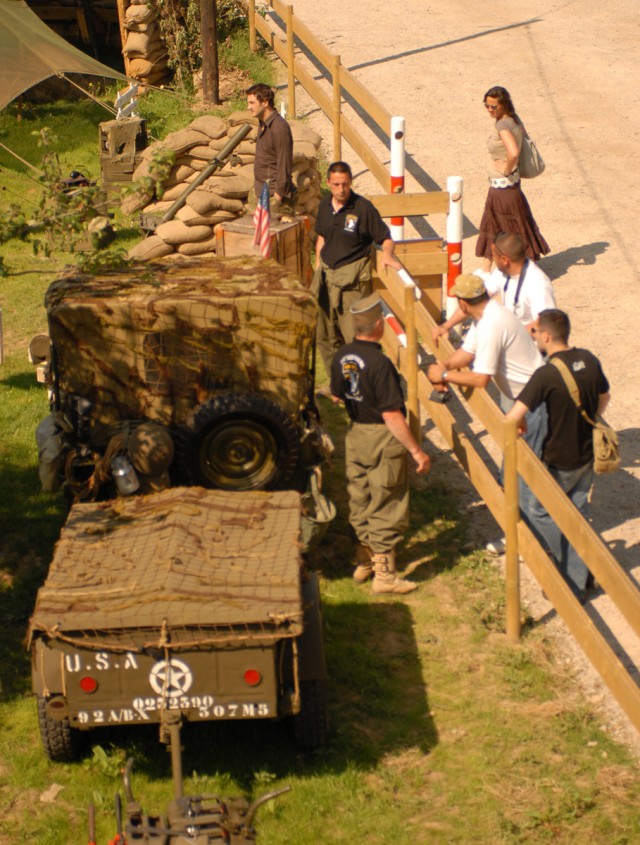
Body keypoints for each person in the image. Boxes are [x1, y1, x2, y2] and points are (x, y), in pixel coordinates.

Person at [426, 274, 545, 547]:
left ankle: (529, 542)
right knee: (514, 472)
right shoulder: (487, 316)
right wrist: (445, 364)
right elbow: (467, 354)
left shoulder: (491, 324)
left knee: (524, 476)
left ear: (464, 304)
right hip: (524, 401)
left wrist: (444, 375)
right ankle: (521, 535)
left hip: (534, 404)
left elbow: (481, 379)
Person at [505, 309, 611, 601]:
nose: (534, 335)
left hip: (559, 459)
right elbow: (605, 397)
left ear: (547, 336)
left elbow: (513, 417)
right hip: (588, 453)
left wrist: (517, 426)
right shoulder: (589, 359)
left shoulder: (546, 374)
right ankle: (587, 570)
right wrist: (589, 419)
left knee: (540, 511)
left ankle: (574, 577)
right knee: (577, 512)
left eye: (536, 331)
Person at [330, 294, 431, 594]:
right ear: (378, 327)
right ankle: (385, 576)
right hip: (382, 439)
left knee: (359, 498)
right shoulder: (380, 363)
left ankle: (364, 561)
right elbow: (391, 414)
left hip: (356, 434)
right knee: (387, 501)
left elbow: (337, 396)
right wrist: (416, 450)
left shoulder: (342, 355)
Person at [313, 161, 401, 376]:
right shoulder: (324, 205)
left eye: (344, 184)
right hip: (325, 277)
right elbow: (322, 237)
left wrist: (387, 256)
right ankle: (338, 385)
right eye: (336, 184)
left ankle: (357, 385)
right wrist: (317, 268)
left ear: (350, 182)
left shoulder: (363, 208)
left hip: (351, 282)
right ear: (328, 183)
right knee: (326, 334)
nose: (341, 189)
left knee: (353, 336)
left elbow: (386, 238)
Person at [433, 232, 556, 345]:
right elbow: (475, 301)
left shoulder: (537, 283)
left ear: (504, 260)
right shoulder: (502, 273)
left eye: (494, 256)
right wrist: (446, 326)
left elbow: (545, 325)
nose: (493, 260)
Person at [476, 86, 549, 270]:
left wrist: (507, 168)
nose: (490, 110)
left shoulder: (502, 125)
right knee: (505, 227)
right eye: (487, 106)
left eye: (494, 107)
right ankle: (486, 269)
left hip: (502, 189)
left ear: (504, 104)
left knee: (499, 229)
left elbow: (514, 152)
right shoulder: (515, 119)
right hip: (511, 188)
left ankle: (492, 272)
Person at [246, 83, 295, 216]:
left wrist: (278, 197)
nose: (248, 107)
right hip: (259, 190)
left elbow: (284, 163)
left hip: (273, 194)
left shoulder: (279, 128)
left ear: (265, 102)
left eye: (252, 103)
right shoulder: (262, 123)